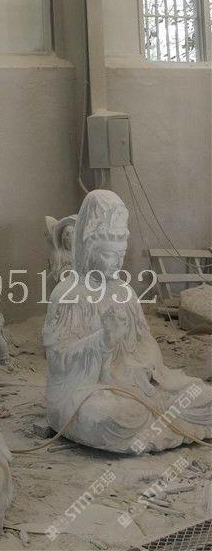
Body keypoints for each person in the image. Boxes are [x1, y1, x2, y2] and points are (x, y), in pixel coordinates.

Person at [43, 190, 212, 453]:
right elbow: (58, 361)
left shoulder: (125, 292)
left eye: (121, 255)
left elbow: (146, 344)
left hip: (140, 385)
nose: (117, 263)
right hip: (90, 391)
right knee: (114, 417)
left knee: (203, 397)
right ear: (88, 250)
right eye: (109, 255)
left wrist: (145, 367)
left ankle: (155, 419)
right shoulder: (67, 294)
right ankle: (149, 421)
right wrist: (102, 341)